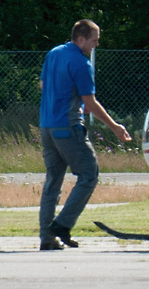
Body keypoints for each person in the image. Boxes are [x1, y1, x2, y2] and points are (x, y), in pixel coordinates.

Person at [39, 19, 132, 250]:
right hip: (68, 128)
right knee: (89, 175)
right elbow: (90, 101)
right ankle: (62, 224)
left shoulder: (54, 53)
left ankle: (47, 239)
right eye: (94, 40)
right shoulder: (81, 63)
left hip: (46, 127)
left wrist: (72, 98)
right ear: (81, 39)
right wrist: (114, 126)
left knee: (53, 182)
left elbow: (43, 85)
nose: (96, 45)